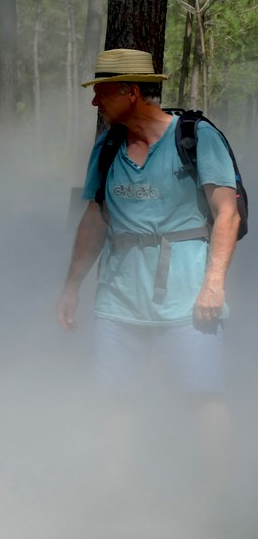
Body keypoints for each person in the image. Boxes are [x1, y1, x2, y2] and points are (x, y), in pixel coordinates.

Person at [56, 49, 240, 494]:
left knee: (203, 396)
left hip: (186, 295)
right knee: (115, 398)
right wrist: (72, 286)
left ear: (131, 92)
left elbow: (227, 213)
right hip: (119, 296)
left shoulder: (197, 138)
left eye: (101, 92)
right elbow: (94, 219)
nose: (94, 103)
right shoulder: (109, 145)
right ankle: (114, 492)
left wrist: (213, 285)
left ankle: (219, 497)